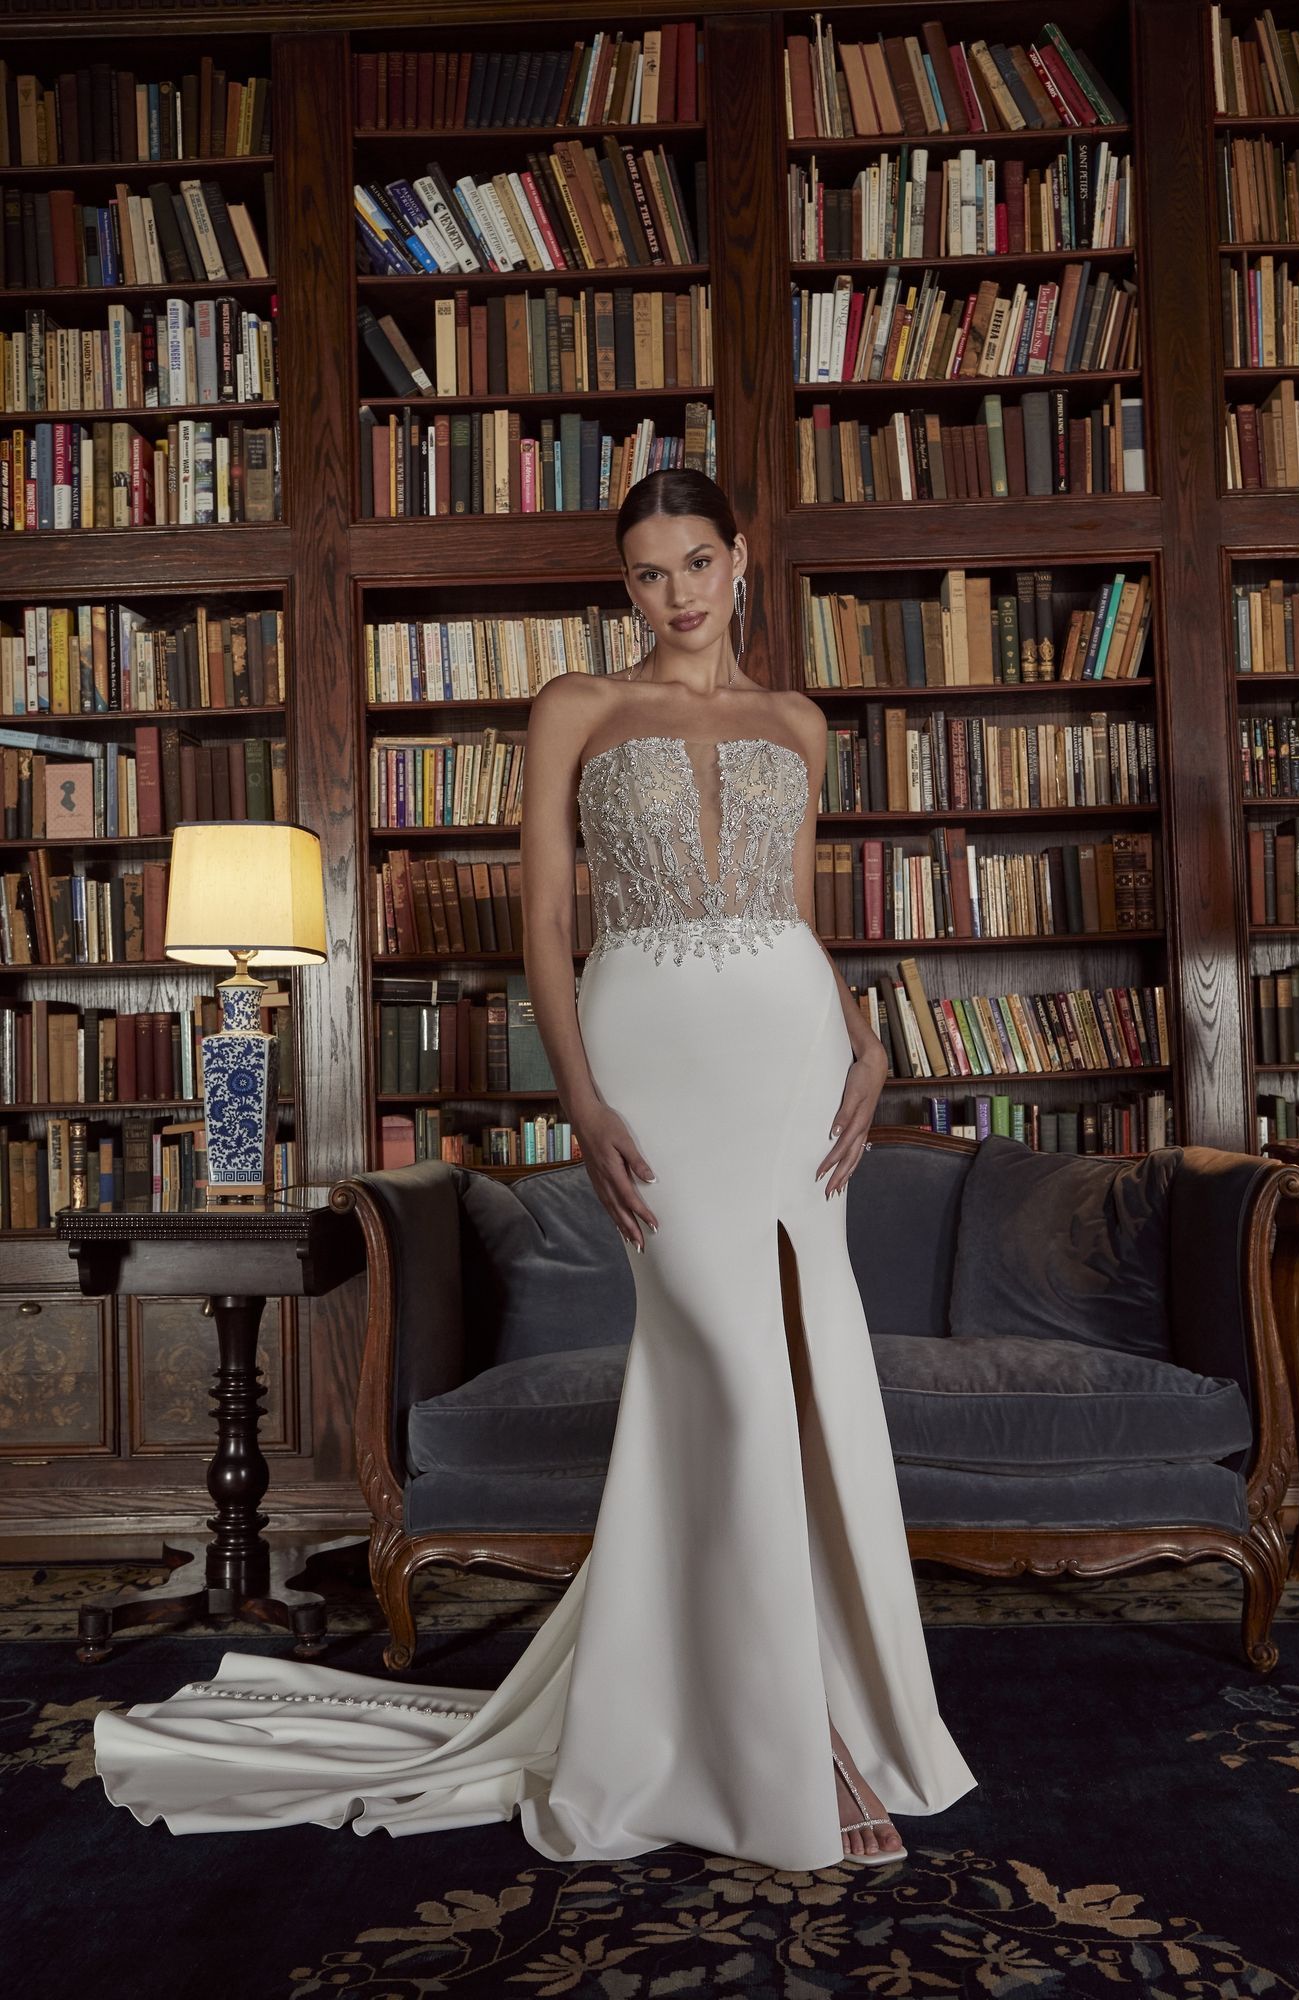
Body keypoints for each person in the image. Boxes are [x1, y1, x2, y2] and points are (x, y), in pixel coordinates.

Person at [92, 469, 977, 1873]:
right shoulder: (577, 703)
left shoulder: (798, 722)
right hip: (651, 1059)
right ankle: (784, 1731)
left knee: (803, 1378)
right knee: (729, 1374)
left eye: (698, 562)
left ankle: (808, 1705)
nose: (678, 594)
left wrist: (866, 1038)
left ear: (741, 559)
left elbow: (792, 913)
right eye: (649, 572)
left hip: (792, 1061)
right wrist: (579, 1095)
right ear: (624, 586)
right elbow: (550, 922)